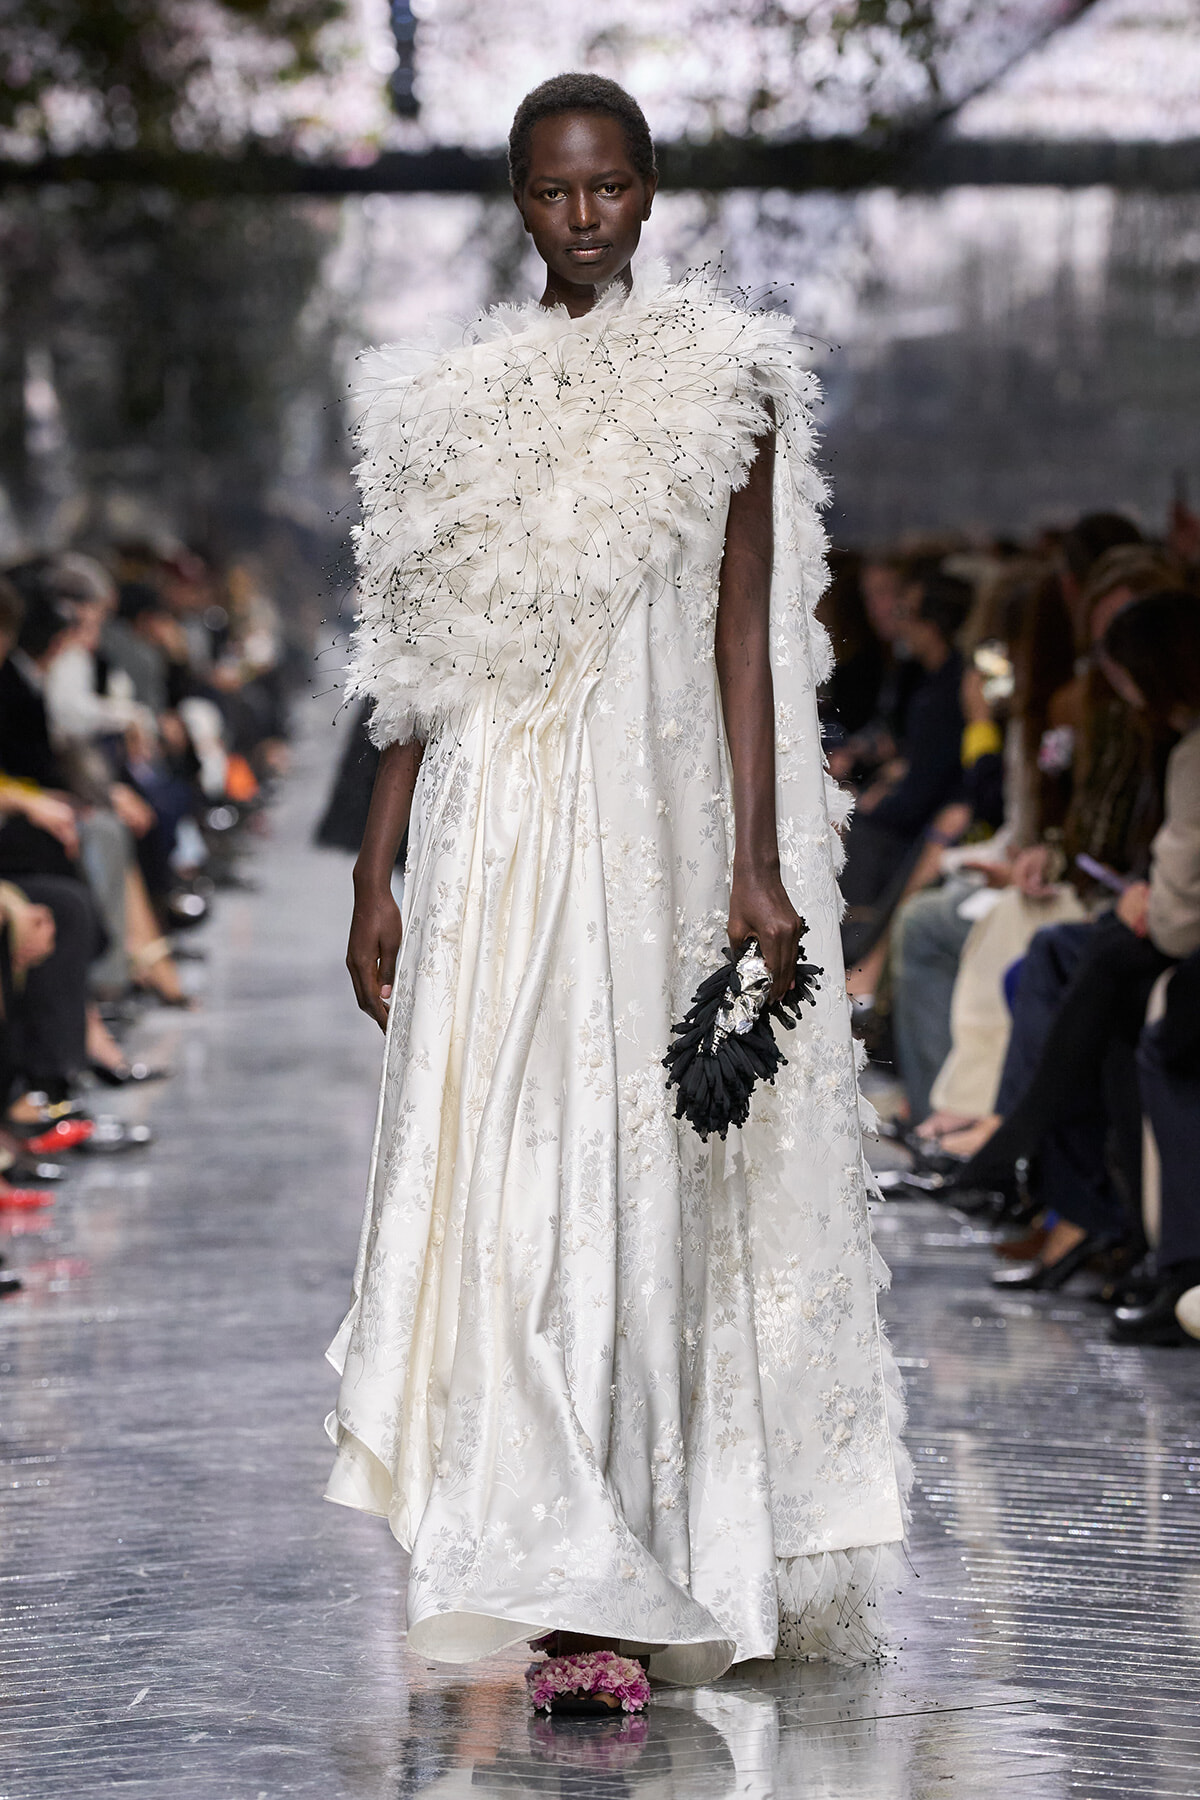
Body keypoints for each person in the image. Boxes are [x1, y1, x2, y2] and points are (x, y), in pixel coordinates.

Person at [326, 73, 908, 1713]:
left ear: (649, 189)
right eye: (552, 190)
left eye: (607, 186)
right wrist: (376, 862)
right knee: (509, 1176)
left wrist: (756, 857)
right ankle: (552, 1552)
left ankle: (633, 1555)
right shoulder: (455, 403)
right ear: (519, 200)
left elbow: (748, 632)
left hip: (654, 815)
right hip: (495, 833)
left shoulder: (729, 378)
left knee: (641, 1179)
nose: (582, 216)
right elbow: (422, 658)